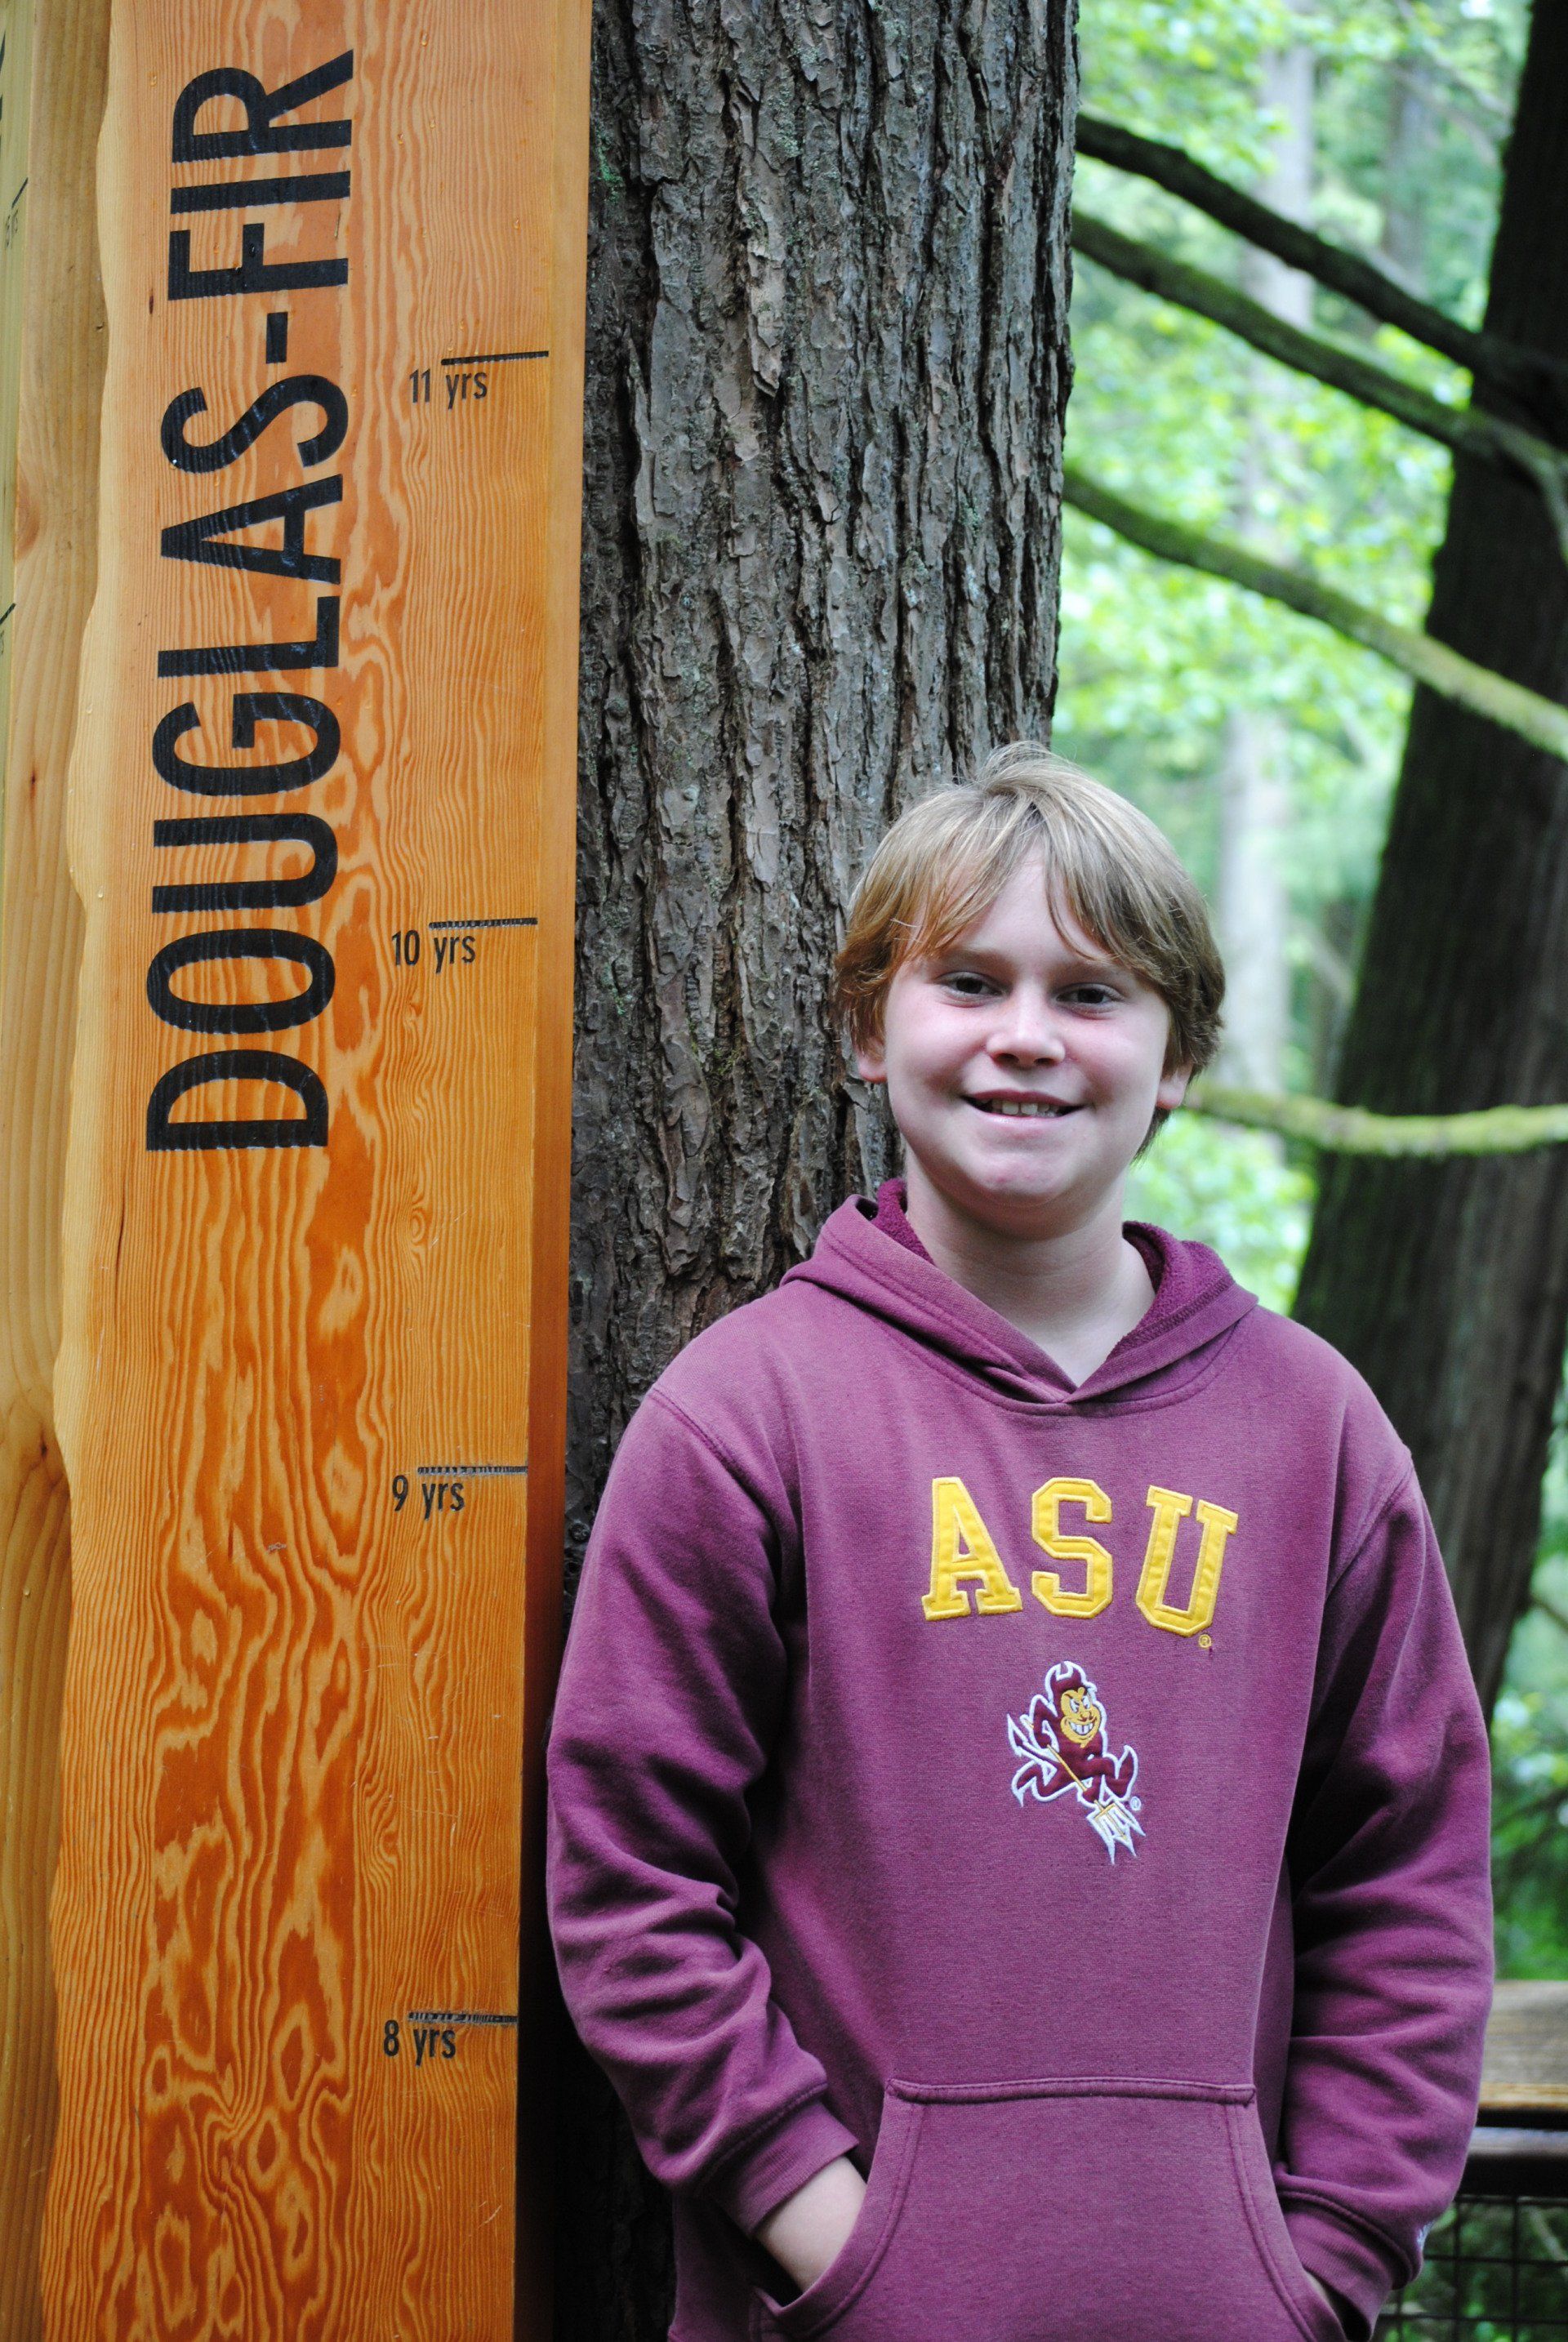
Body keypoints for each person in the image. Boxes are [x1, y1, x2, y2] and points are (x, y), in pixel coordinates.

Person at [546, 742, 1494, 2342]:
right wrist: (840, 2238)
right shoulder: (747, 1413)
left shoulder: (1314, 1432)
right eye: (969, 981)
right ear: (869, 1029)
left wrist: (1319, 2269)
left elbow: (1407, 1886)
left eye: (1093, 994)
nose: (1026, 1041)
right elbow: (630, 1881)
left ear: (1180, 1055)